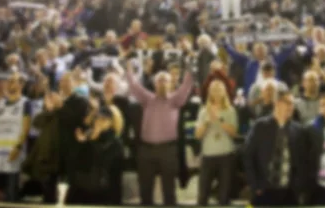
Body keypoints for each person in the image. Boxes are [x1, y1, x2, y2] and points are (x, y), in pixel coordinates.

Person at [126, 65, 193, 206]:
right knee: (145, 190)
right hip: (146, 150)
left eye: (165, 80)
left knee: (169, 191)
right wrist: (129, 69)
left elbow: (186, 86)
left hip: (167, 150)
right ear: (154, 83)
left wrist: (189, 69)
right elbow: (133, 86)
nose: (162, 83)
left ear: (171, 83)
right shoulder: (147, 99)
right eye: (159, 80)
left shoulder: (175, 99)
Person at [244, 90, 305, 206]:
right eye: (288, 103)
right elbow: (248, 156)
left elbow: (302, 161)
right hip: (264, 190)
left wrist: (298, 187)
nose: (291, 107)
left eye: (293, 104)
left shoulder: (297, 130)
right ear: (277, 103)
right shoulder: (260, 126)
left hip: (289, 193)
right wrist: (254, 185)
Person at [0, 72, 32, 202]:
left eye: (13, 81)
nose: (9, 83)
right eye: (9, 81)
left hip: (12, 152)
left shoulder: (25, 103)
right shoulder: (0, 103)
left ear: (21, 85)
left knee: (10, 192)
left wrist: (19, 147)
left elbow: (26, 128)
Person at [66, 106, 123, 205]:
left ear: (111, 122)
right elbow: (75, 162)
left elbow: (105, 163)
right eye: (97, 118)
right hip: (81, 190)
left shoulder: (115, 142)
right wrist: (80, 143)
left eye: (103, 119)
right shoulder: (87, 136)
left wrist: (92, 141)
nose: (99, 122)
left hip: (103, 194)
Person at [194, 80, 238, 205]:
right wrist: (208, 121)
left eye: (219, 90)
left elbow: (234, 132)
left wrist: (219, 118)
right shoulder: (203, 111)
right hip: (208, 157)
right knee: (203, 195)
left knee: (224, 196)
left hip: (226, 156)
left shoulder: (230, 111)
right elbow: (197, 135)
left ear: (224, 92)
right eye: (214, 90)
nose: (217, 93)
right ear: (209, 93)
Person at [21, 92, 62, 204]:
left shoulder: (62, 114)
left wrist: (54, 109)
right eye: (50, 98)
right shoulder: (46, 115)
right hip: (44, 158)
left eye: (54, 97)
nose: (51, 100)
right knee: (46, 193)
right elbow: (36, 123)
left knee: (52, 193)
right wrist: (49, 109)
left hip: (56, 158)